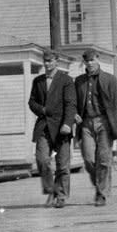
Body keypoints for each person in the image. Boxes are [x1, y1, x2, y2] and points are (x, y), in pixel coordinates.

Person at [28, 50, 76, 208]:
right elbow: (32, 102)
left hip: (61, 127)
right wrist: (41, 110)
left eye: (50, 61)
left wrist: (68, 124)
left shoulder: (66, 80)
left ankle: (61, 195)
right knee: (42, 159)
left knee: (62, 165)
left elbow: (70, 104)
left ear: (57, 61)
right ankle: (51, 189)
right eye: (45, 61)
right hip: (44, 126)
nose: (47, 64)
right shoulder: (38, 81)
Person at [75, 48, 117, 206]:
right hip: (86, 124)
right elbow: (74, 103)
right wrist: (75, 114)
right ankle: (101, 184)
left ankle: (101, 193)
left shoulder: (110, 79)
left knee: (103, 158)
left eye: (92, 60)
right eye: (87, 61)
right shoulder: (79, 81)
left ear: (98, 60)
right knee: (88, 159)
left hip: (104, 123)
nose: (90, 63)